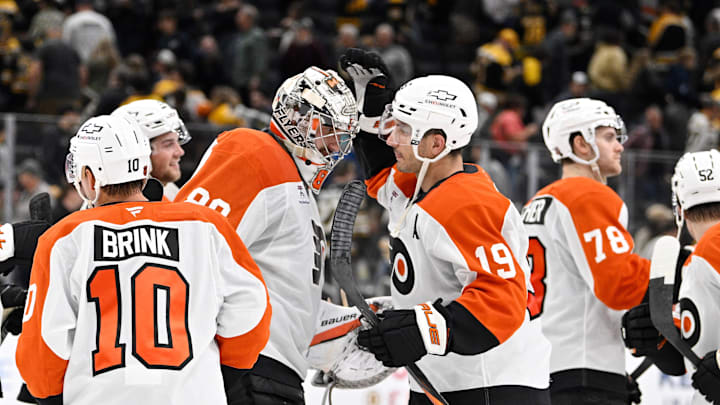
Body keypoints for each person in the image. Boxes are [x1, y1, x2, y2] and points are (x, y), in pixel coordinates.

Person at [15, 115, 271, 405]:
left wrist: (52, 397)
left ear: (90, 176)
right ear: (145, 167)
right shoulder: (206, 224)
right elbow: (252, 311)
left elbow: (44, 350)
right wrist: (217, 374)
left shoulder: (64, 237)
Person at [346, 52, 550, 403]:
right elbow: (382, 177)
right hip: (445, 383)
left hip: (490, 386)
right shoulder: (422, 189)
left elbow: (501, 299)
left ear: (436, 143)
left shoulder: (467, 202)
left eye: (404, 129)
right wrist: (372, 111)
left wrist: (420, 329)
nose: (392, 138)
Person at [174, 66, 359, 403]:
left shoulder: (298, 187)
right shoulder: (254, 150)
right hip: (245, 370)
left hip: (275, 374)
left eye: (341, 137)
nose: (336, 147)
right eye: (329, 131)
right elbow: (187, 248)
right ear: (297, 117)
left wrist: (348, 327)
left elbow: (281, 295)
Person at [522, 98, 650, 404]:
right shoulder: (588, 194)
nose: (619, 146)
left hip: (539, 371)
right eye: (608, 137)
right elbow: (620, 286)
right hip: (583, 373)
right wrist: (673, 271)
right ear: (581, 144)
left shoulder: (535, 203)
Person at [623, 150, 720, 405]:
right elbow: (684, 360)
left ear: (679, 207)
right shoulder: (692, 261)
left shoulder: (711, 245)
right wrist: (656, 339)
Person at [111, 99, 191, 200]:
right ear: (138, 153)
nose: (180, 152)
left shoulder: (167, 190)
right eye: (168, 144)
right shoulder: (134, 205)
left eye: (177, 141)